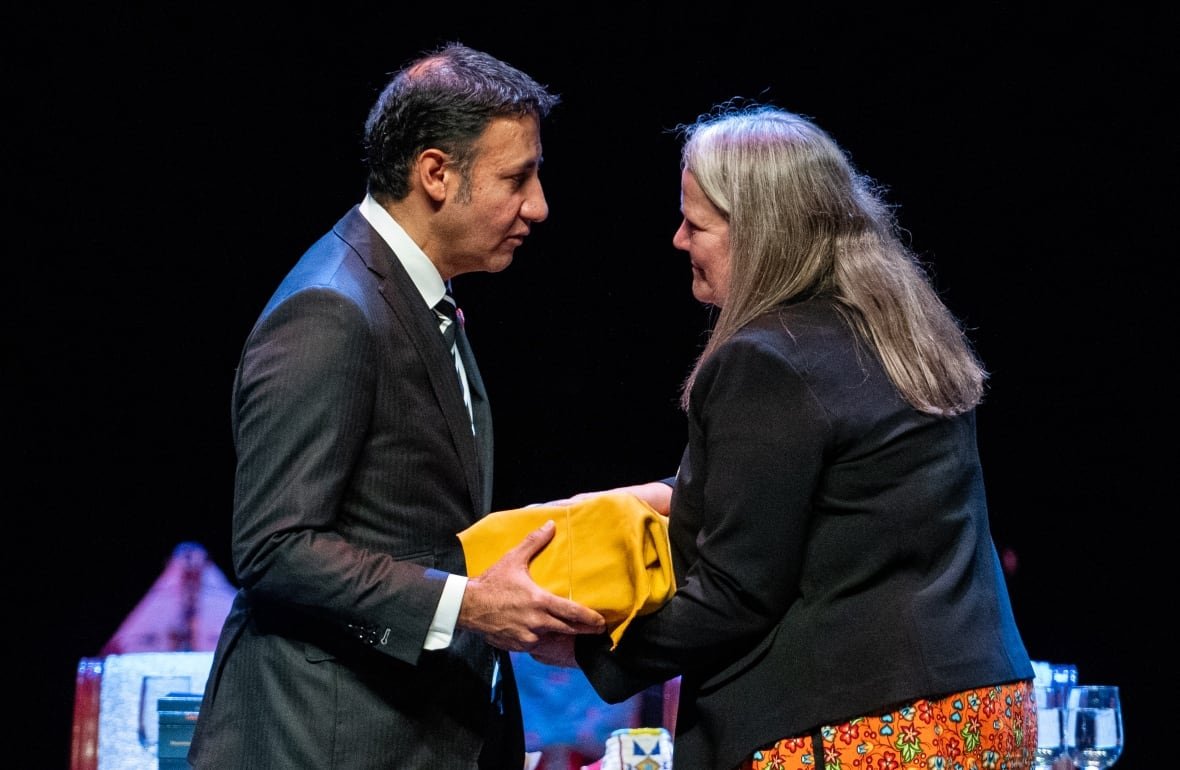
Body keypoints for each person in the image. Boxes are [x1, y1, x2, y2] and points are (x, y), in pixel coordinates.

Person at [533, 102, 1036, 770]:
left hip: (858, 729)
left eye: (696, 223)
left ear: (760, 234)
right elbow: (823, 492)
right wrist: (637, 499)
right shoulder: (901, 331)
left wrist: (582, 649)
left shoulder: (766, 359)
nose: (678, 240)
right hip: (981, 713)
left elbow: (737, 593)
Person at [187, 42, 605, 769]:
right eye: (518, 177)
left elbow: (417, 522)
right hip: (330, 738)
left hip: (411, 728)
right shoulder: (332, 310)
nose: (538, 206)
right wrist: (467, 606)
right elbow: (275, 545)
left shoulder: (412, 296)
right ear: (436, 174)